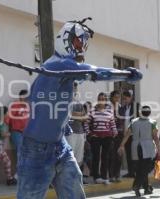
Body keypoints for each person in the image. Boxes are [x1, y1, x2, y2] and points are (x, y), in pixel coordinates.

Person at [17, 19, 142, 199]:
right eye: (78, 41)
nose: (81, 48)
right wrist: (125, 74)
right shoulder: (57, 65)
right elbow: (93, 72)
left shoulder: (58, 70)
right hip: (36, 150)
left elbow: (35, 98)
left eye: (84, 44)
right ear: (65, 40)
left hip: (60, 145)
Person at [118, 105, 160, 197]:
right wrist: (159, 150)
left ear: (140, 112)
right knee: (146, 167)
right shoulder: (152, 122)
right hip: (147, 147)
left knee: (140, 168)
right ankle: (137, 185)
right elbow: (155, 137)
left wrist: (122, 145)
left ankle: (146, 188)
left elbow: (127, 134)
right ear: (149, 113)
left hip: (135, 147)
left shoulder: (133, 121)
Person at [85, 92, 118, 185]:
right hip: (96, 137)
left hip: (107, 137)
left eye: (103, 99)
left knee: (105, 157)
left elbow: (112, 123)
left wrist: (114, 132)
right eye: (100, 99)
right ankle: (96, 176)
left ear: (106, 101)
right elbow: (86, 123)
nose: (101, 101)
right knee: (96, 157)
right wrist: (90, 134)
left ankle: (104, 177)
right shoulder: (92, 111)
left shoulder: (109, 111)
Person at [66, 82, 87, 166]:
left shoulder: (78, 102)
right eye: (72, 87)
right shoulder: (64, 101)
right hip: (70, 133)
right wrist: (79, 115)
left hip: (80, 132)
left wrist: (74, 115)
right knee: (69, 157)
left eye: (75, 88)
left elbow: (85, 116)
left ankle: (76, 177)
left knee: (79, 158)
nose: (74, 89)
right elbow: (66, 115)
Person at [119, 90, 136, 178]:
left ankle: (136, 171)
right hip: (126, 134)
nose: (125, 100)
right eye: (124, 98)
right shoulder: (123, 108)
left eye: (127, 98)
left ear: (131, 97)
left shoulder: (136, 106)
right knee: (128, 153)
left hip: (134, 134)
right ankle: (131, 172)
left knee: (135, 153)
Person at [108, 90, 123, 182]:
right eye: (115, 97)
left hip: (120, 134)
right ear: (112, 97)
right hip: (110, 133)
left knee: (119, 154)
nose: (117, 99)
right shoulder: (108, 107)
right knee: (111, 155)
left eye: (118, 97)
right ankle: (111, 175)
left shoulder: (120, 107)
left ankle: (117, 174)